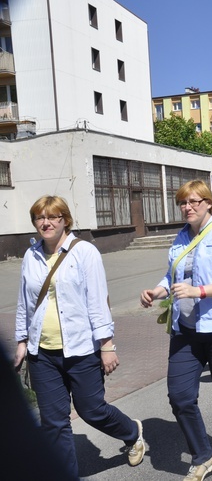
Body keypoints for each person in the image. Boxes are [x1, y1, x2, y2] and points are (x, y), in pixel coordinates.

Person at [15, 195, 146, 479]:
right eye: (40, 217)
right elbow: (24, 303)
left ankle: (132, 432)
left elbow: (97, 300)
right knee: (54, 423)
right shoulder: (31, 255)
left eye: (53, 217)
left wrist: (107, 345)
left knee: (92, 410)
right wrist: (22, 341)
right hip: (43, 354)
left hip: (81, 349)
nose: (46, 222)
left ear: (65, 220)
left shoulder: (84, 252)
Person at [139, 180, 212, 481]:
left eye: (194, 201)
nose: (187, 207)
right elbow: (172, 274)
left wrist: (198, 291)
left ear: (209, 203)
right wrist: (157, 291)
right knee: (180, 396)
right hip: (186, 329)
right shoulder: (181, 237)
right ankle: (204, 456)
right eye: (183, 202)